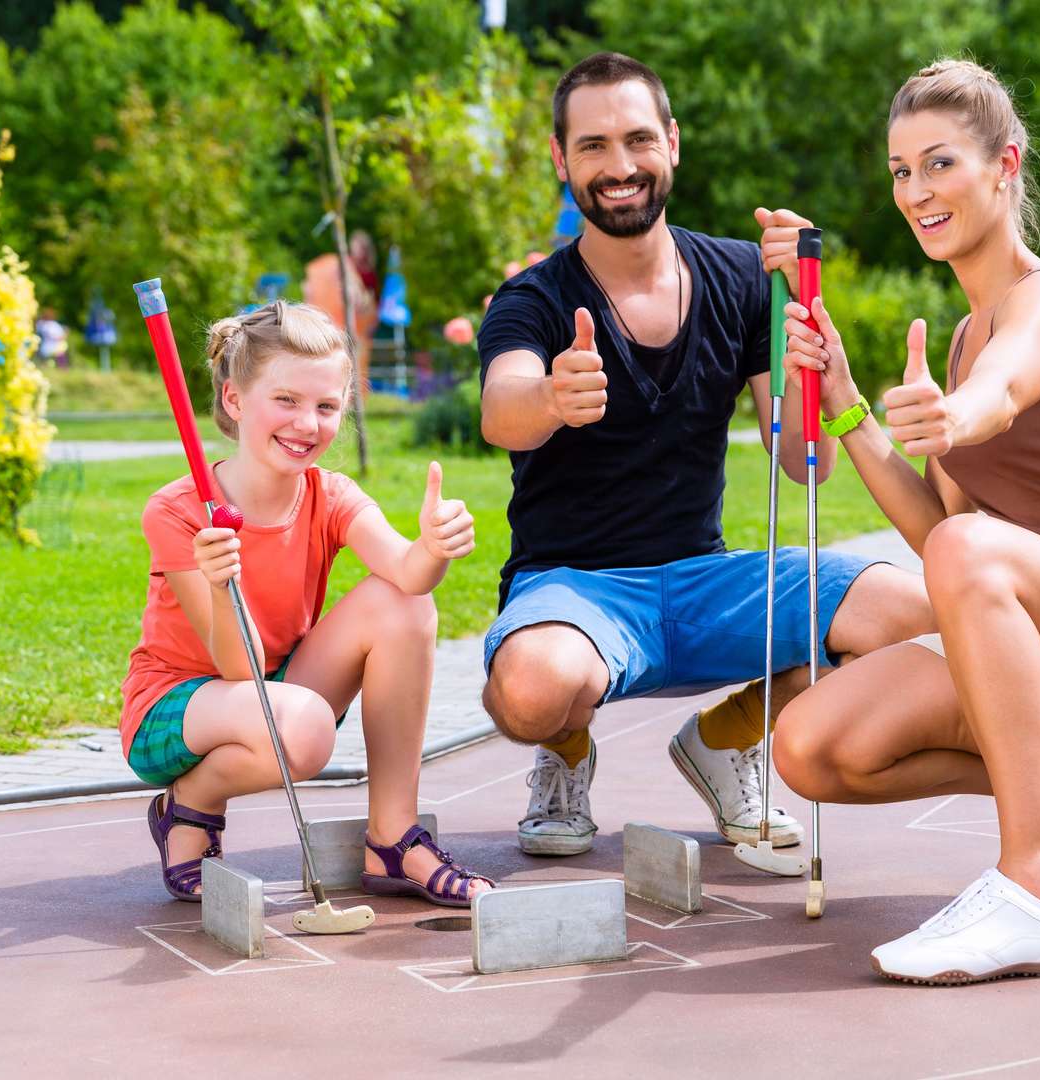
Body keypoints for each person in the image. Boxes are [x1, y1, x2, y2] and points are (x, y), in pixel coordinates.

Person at [761, 59, 1040, 984]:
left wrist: (958, 418)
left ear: (1004, 165)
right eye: (900, 171)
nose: (916, 191)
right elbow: (946, 529)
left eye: (939, 164)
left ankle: (1038, 888)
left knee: (969, 555)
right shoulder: (963, 337)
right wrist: (850, 406)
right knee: (811, 748)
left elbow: (1004, 393)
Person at [477, 52, 933, 857]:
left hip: (708, 583)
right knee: (529, 692)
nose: (619, 167)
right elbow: (500, 410)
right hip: (577, 592)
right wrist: (550, 397)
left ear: (674, 143)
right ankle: (567, 749)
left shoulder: (743, 277)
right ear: (560, 158)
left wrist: (815, 354)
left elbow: (807, 466)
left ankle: (723, 738)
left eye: (637, 139)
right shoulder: (534, 300)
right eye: (592, 147)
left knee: (918, 616)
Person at [119, 301, 491, 907]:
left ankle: (393, 836)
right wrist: (219, 582)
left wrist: (434, 547)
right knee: (307, 730)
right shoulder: (176, 511)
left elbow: (408, 574)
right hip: (177, 707)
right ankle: (191, 801)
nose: (307, 424)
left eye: (326, 406)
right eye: (286, 401)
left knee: (406, 606)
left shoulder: (332, 495)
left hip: (277, 690)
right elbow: (237, 670)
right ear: (235, 400)